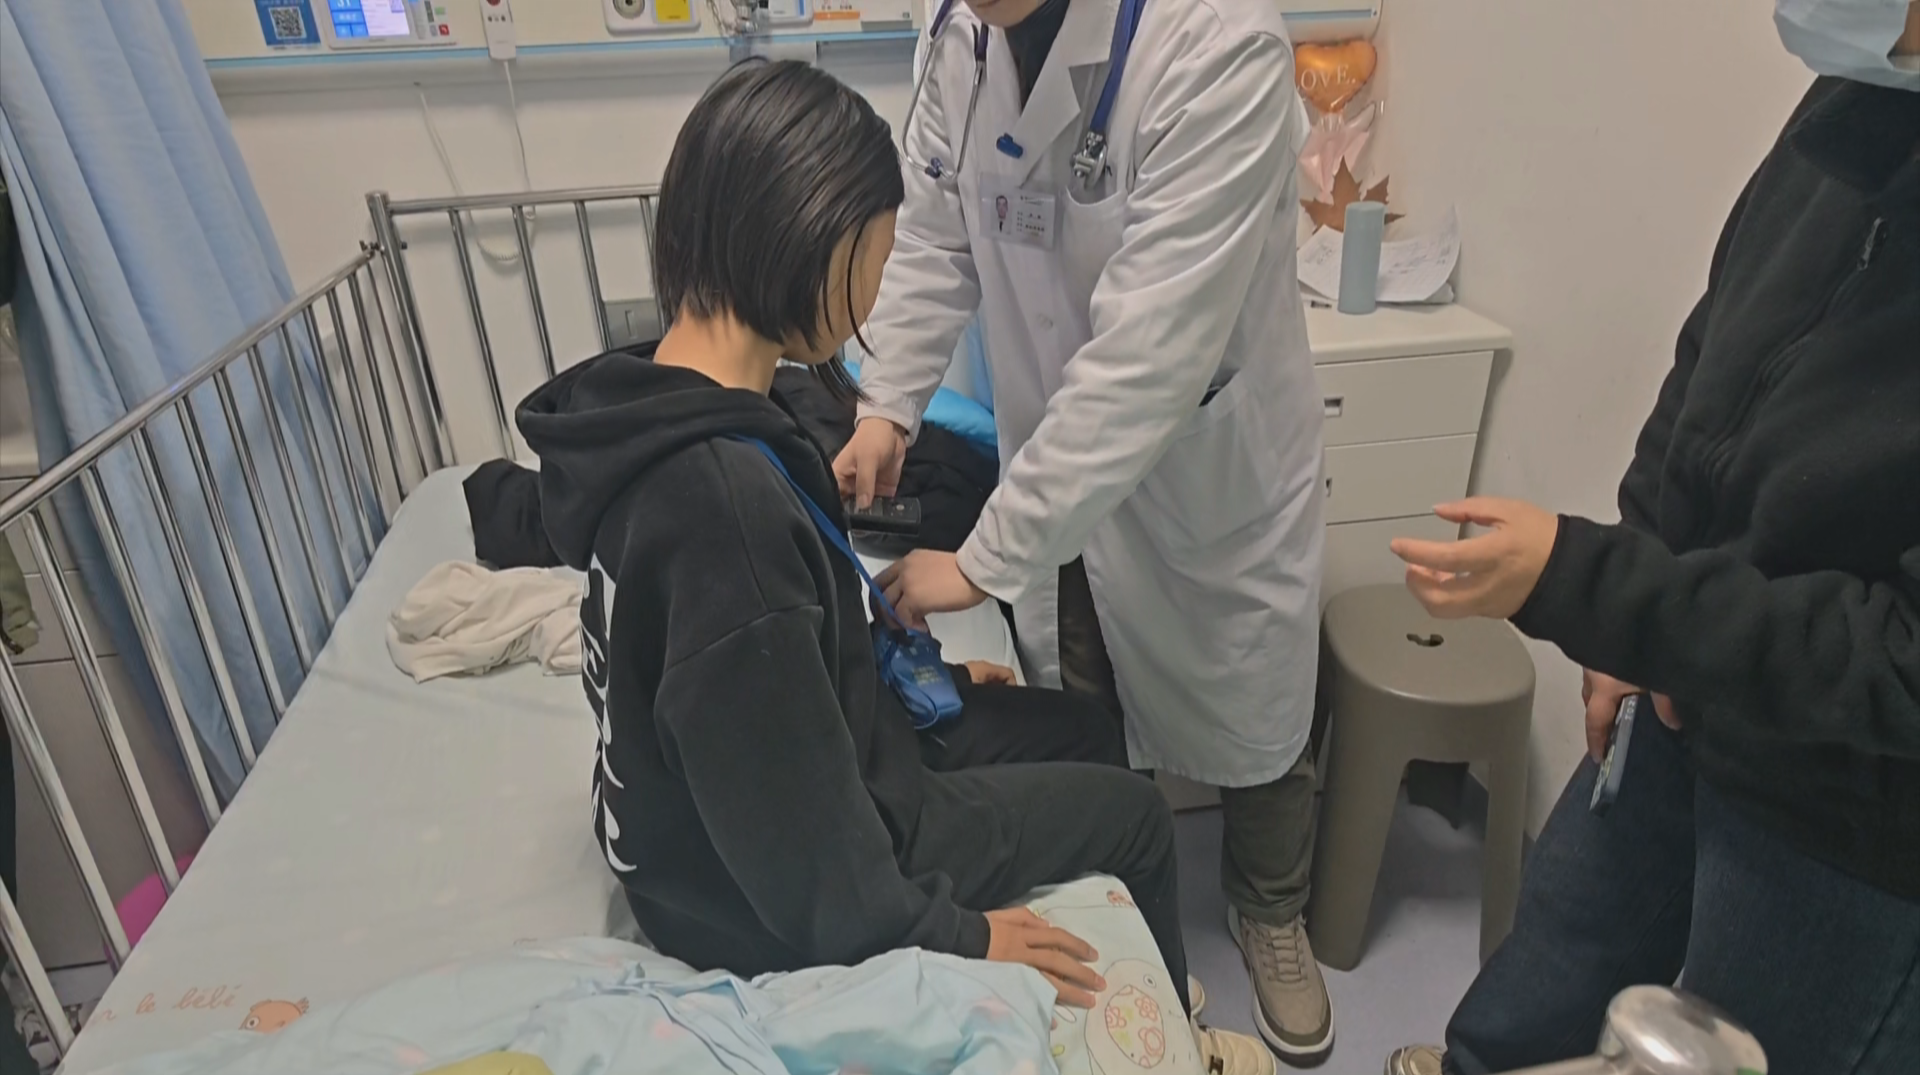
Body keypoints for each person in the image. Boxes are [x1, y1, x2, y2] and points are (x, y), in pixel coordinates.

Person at [517, 60, 1275, 1074]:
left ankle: (1146, 969)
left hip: (802, 772)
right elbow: (810, 865)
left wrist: (920, 684)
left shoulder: (665, 408)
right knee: (1136, 816)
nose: (880, 285)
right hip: (757, 892)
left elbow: (754, 687)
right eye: (878, 250)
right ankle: (1172, 1042)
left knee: (1084, 729)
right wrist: (960, 935)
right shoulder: (723, 512)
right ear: (815, 240)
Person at [1384, 5, 1920, 1074]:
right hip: (1673, 695)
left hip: (1847, 820)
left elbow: (1901, 661)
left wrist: (1595, 588)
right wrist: (1633, 604)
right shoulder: (1863, 98)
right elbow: (1720, 350)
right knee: (1524, 1011)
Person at [833, 0, 1333, 1060]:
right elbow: (933, 238)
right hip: (1057, 451)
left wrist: (981, 560)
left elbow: (1148, 361)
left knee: (1258, 706)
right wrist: (887, 405)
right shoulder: (956, 40)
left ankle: (1271, 909)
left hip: (1208, 464)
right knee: (1090, 694)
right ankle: (1137, 912)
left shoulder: (1218, 45)